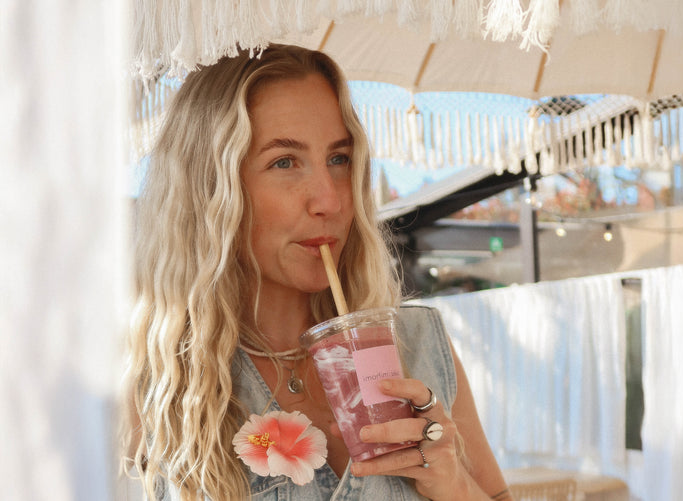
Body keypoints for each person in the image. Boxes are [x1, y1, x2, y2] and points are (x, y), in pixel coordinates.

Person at [122, 43, 512, 501]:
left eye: (339, 159)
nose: (330, 200)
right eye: (284, 162)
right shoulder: (158, 379)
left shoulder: (418, 344)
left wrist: (455, 483)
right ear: (210, 187)